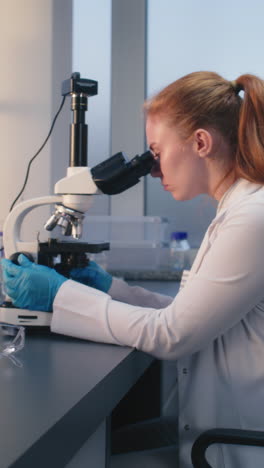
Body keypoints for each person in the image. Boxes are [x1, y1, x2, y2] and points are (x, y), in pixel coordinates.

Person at [2, 70, 264, 467]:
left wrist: (59, 295)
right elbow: (191, 316)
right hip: (214, 429)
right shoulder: (237, 212)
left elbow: (172, 335)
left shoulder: (251, 219)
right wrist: (110, 289)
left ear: (200, 142)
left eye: (156, 153)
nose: (153, 170)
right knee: (108, 446)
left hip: (230, 445)